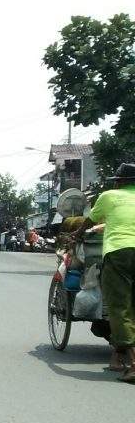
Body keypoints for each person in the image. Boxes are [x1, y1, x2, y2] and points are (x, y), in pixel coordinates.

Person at [81, 163, 135, 380]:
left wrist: (77, 234)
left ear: (120, 182)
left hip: (119, 251)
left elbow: (90, 221)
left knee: (119, 306)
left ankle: (132, 364)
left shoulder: (109, 196)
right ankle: (118, 355)